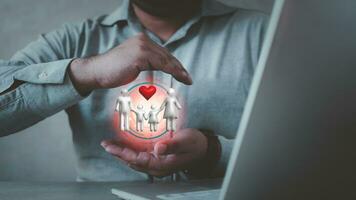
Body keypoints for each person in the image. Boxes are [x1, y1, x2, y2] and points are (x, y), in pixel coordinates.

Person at [0, 0, 268, 181]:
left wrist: (213, 153)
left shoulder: (265, 34)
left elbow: (308, 152)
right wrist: (87, 71)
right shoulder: (74, 40)